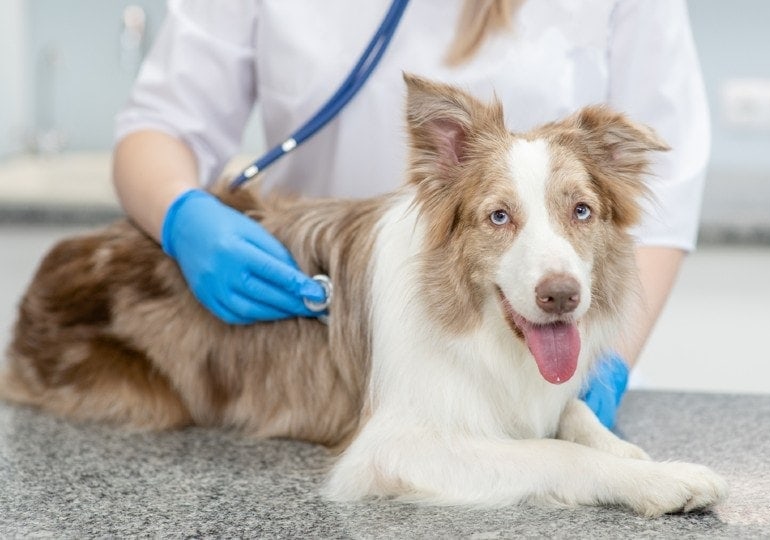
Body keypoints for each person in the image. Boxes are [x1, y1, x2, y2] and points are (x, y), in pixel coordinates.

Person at [112, 0, 710, 428]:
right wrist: (181, 214)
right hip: (318, 319)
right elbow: (160, 123)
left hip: (547, 345)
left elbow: (667, 184)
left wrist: (607, 366)